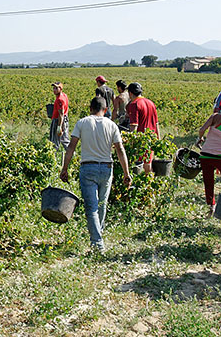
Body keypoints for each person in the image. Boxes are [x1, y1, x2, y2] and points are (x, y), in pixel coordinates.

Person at [60, 97, 131, 252]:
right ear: (105, 110)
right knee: (101, 204)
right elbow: (120, 150)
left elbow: (71, 147)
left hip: (87, 168)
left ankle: (97, 243)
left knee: (91, 207)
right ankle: (99, 235)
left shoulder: (82, 123)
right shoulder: (111, 125)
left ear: (90, 108)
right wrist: (126, 173)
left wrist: (64, 168)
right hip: (107, 168)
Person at [126, 82, 160, 172]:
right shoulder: (151, 103)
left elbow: (134, 125)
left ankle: (146, 184)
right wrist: (158, 139)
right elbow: (156, 124)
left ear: (130, 93)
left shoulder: (134, 104)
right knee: (148, 163)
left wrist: (130, 143)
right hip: (151, 137)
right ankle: (150, 183)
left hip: (141, 140)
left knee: (140, 165)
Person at [49, 82, 70, 150]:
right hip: (65, 119)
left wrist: (59, 126)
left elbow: (61, 114)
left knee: (54, 141)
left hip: (58, 120)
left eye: (56, 88)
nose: (54, 90)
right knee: (65, 140)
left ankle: (52, 158)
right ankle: (72, 156)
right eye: (54, 88)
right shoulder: (64, 95)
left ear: (60, 89)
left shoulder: (59, 100)